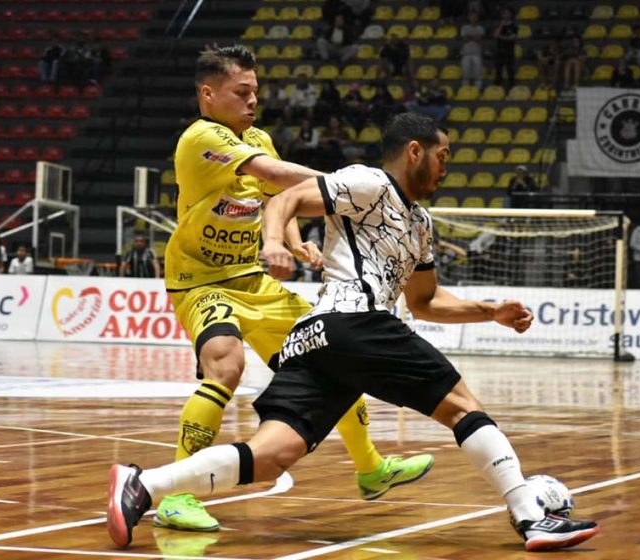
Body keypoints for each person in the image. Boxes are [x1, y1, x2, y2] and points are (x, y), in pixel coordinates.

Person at [108, 112, 600, 551]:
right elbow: (287, 197)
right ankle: (531, 515)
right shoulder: (369, 183)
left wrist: (489, 311)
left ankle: (143, 485)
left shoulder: (420, 223)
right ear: (414, 152)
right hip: (353, 321)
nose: (446, 168)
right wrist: (275, 243)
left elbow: (425, 302)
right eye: (442, 156)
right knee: (462, 406)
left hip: (319, 340)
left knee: (271, 456)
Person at [151, 45, 432, 534]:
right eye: (242, 92)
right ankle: (176, 496)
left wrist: (295, 243)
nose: (253, 100)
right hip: (201, 280)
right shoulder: (201, 138)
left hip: (253, 281)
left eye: (255, 91)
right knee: (226, 362)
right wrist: (364, 190)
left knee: (332, 354)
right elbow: (275, 175)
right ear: (208, 93)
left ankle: (370, 470)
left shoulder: (257, 135)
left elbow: (278, 197)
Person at [493, 8, 518, 91]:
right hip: (499, 51)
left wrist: (501, 37)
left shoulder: (514, 25)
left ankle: (512, 89)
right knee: (498, 72)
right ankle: (497, 90)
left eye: (507, 13)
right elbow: (495, 35)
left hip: (509, 51)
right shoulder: (499, 24)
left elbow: (512, 38)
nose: (506, 15)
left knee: (510, 71)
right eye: (504, 13)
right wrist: (501, 25)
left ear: (511, 14)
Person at [460, 11, 485, 89]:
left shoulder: (480, 28)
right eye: (472, 16)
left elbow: (480, 40)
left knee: (477, 75)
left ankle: (477, 91)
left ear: (477, 18)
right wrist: (475, 37)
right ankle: (464, 91)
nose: (473, 18)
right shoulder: (464, 27)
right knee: (465, 74)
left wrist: (469, 36)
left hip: (477, 54)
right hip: (466, 54)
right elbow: (464, 39)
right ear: (469, 17)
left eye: (475, 17)